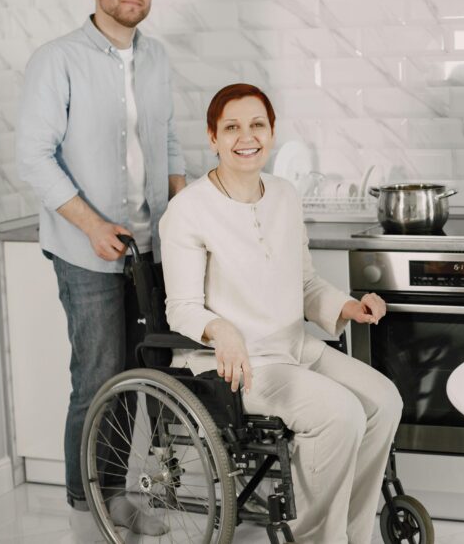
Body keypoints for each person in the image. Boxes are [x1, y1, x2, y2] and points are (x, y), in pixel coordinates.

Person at [159, 83, 403, 544]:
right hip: (234, 363)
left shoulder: (285, 196)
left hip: (293, 346)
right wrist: (221, 329)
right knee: (340, 414)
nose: (245, 136)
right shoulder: (187, 210)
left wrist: (349, 306)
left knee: (384, 400)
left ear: (271, 133)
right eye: (231, 127)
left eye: (257, 125)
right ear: (212, 137)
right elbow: (183, 308)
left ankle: (351, 533)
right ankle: (310, 537)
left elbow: (306, 283)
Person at [16, 0, 186, 540]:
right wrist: (91, 226)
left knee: (152, 373)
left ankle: (130, 489)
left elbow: (170, 143)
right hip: (84, 249)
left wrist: (186, 221)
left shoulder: (159, 57)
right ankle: (88, 502)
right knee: (99, 378)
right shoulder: (57, 59)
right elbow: (32, 158)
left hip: (152, 248)